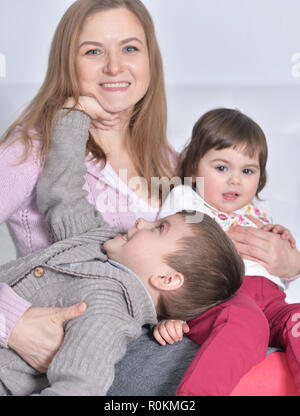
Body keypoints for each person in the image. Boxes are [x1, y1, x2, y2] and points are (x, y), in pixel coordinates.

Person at [0, 108, 244, 396]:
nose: (141, 221)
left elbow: (81, 386)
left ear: (166, 278)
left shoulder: (107, 312)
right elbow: (63, 195)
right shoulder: (98, 239)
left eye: (158, 228)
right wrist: (72, 118)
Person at [0, 0, 176, 368]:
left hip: (149, 349)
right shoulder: (31, 148)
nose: (115, 66)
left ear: (150, 61)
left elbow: (208, 260)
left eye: (130, 48)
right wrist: (11, 322)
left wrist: (289, 265)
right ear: (68, 63)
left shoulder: (167, 159)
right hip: (65, 362)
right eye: (93, 51)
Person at [154, 108, 300, 395]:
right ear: (194, 166)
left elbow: (278, 270)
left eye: (247, 171)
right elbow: (168, 255)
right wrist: (171, 312)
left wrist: (282, 242)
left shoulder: (258, 210)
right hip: (220, 298)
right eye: (222, 168)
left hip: (271, 301)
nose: (235, 180)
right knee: (242, 322)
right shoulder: (187, 200)